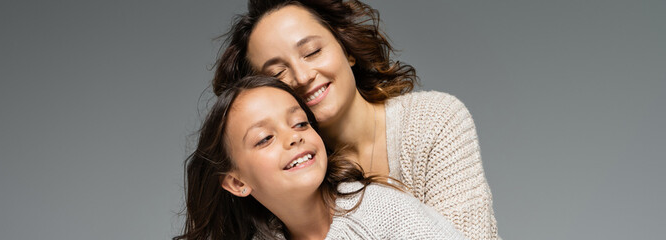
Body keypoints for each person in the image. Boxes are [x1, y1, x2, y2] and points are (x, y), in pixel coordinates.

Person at [211, 1, 498, 239]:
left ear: (346, 49)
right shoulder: (291, 174)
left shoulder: (434, 120)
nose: (302, 76)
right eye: (278, 74)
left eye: (312, 52)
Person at [174, 75, 467, 240]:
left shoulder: (379, 210)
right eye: (265, 138)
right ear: (237, 183)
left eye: (300, 123)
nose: (293, 137)